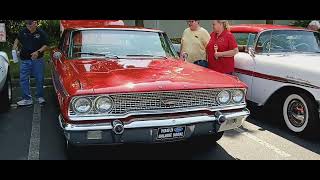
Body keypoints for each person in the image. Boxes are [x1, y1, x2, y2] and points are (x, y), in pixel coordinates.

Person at [12, 20, 48, 106]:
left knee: (39, 78)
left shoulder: (41, 33)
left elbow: (46, 45)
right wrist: (15, 46)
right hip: (24, 59)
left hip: (37, 60)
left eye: (30, 24)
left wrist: (38, 52)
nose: (29, 26)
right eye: (27, 24)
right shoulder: (23, 31)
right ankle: (27, 99)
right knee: (23, 79)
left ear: (35, 23)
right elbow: (17, 39)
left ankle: (40, 97)